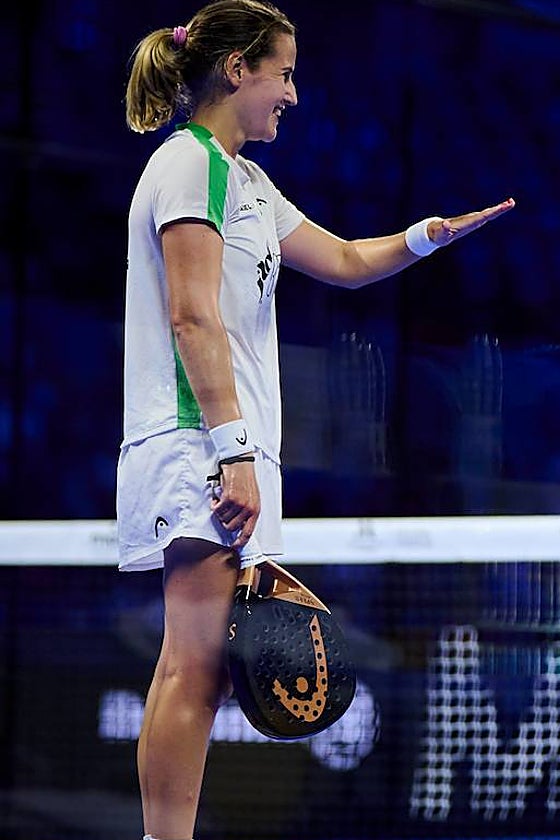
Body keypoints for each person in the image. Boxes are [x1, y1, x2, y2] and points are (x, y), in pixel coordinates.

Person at [118, 3, 513, 839]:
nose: (292, 94)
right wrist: (233, 454)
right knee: (194, 669)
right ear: (237, 71)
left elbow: (341, 259)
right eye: (283, 74)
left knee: (195, 669)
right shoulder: (190, 168)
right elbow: (192, 317)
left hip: (225, 449)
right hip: (202, 445)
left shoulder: (246, 181)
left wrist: (427, 236)